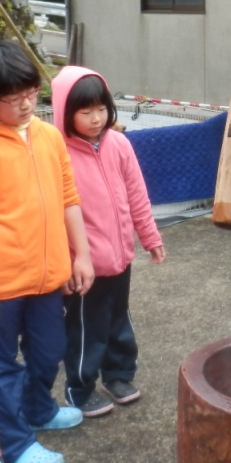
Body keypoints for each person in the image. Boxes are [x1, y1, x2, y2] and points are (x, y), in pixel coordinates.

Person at [0, 41, 95, 463]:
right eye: (12, 99)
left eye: (31, 93)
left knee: (50, 351)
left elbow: (68, 198)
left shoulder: (49, 136)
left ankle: (37, 409)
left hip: (49, 276)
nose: (26, 104)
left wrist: (80, 255)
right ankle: (10, 447)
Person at [51, 66, 165, 418]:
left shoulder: (119, 143)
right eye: (85, 112)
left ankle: (118, 376)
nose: (96, 118)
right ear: (64, 112)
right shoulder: (56, 152)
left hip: (120, 257)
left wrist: (150, 237)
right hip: (84, 266)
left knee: (119, 320)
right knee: (86, 328)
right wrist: (67, 262)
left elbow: (137, 195)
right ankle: (79, 389)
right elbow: (53, 215)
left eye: (101, 109)